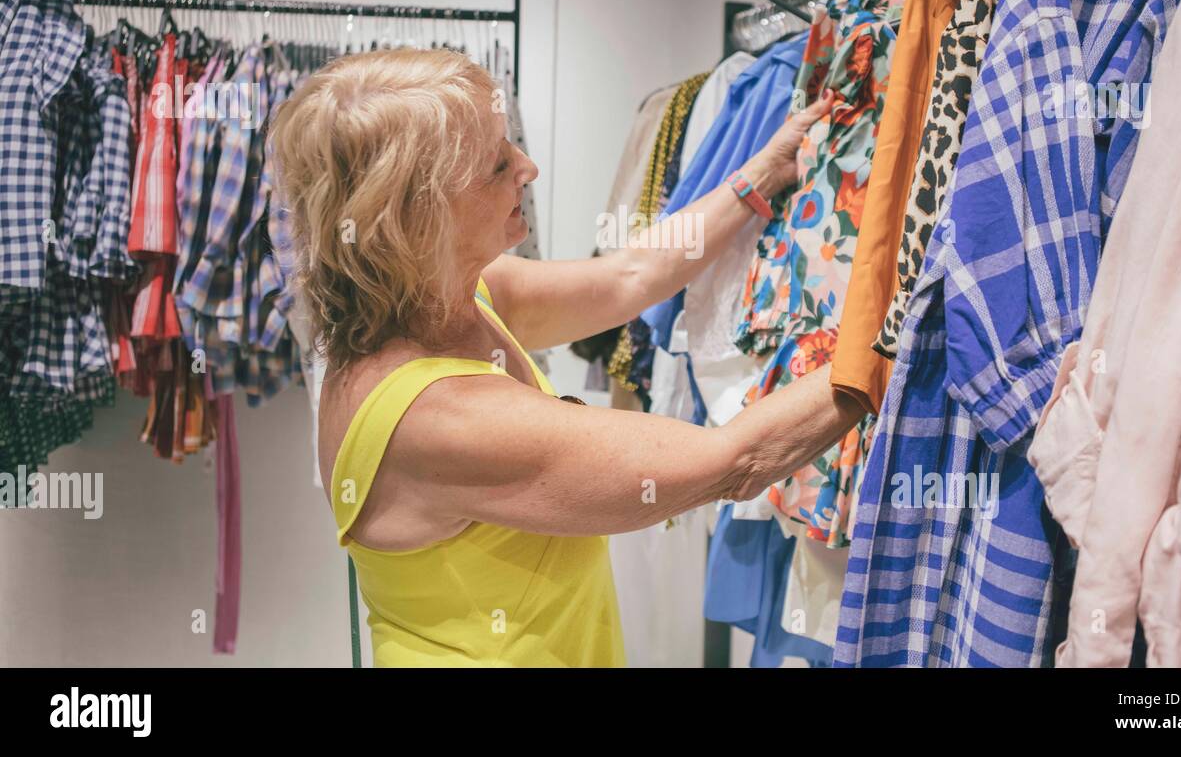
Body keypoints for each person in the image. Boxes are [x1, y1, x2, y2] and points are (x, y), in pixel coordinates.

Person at [269, 48, 866, 666]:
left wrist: (763, 173)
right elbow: (735, 460)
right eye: (497, 164)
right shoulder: (436, 416)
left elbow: (631, 277)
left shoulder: (459, 295)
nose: (527, 168)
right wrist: (895, 329)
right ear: (418, 215)